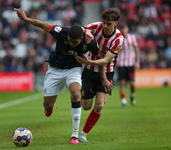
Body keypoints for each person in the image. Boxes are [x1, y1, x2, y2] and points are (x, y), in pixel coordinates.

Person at [14, 8, 112, 144]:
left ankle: (74, 135)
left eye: (74, 42)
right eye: (69, 41)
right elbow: (43, 25)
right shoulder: (62, 32)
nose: (71, 44)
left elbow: (100, 59)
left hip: (73, 69)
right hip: (55, 69)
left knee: (76, 94)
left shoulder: (90, 43)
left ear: (81, 39)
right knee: (48, 107)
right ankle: (49, 107)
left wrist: (103, 78)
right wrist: (25, 19)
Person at [74, 7, 124, 142]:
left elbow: (106, 60)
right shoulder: (96, 26)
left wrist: (88, 61)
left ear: (115, 23)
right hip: (89, 72)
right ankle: (79, 92)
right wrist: (86, 32)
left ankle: (83, 134)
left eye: (109, 23)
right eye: (104, 22)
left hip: (108, 72)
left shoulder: (118, 40)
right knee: (86, 107)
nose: (105, 26)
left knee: (100, 105)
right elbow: (80, 29)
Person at [116, 22, 140, 108]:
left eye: (124, 28)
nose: (123, 30)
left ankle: (132, 95)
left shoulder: (132, 38)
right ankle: (123, 101)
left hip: (130, 64)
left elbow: (137, 50)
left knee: (132, 84)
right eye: (121, 28)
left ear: (127, 29)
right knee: (122, 83)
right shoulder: (118, 39)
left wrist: (137, 62)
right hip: (121, 64)